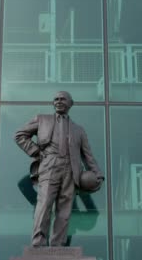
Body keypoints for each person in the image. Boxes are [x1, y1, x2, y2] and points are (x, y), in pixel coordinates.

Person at [14, 91, 104, 247]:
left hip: (70, 169)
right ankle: (39, 242)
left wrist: (98, 174)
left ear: (70, 103)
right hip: (50, 165)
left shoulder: (79, 130)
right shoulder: (42, 120)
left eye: (63, 99)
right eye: (56, 99)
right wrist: (35, 151)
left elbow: (88, 156)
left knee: (65, 209)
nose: (58, 101)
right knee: (44, 204)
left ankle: (58, 244)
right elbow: (20, 135)